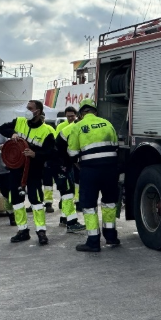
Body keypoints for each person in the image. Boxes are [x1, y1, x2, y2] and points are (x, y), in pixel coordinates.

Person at [66, 98, 119, 252]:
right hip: (110, 170)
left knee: (89, 205)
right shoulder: (107, 124)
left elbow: (72, 153)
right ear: (95, 111)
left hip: (90, 171)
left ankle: (93, 241)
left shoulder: (78, 126)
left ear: (81, 113)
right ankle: (111, 237)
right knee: (109, 203)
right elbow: (116, 147)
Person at [0, 100, 54, 246]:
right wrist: (13, 133)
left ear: (39, 111)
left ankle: (41, 231)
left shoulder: (47, 131)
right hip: (16, 169)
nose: (27, 110)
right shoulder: (19, 121)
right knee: (16, 200)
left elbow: (51, 152)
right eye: (27, 108)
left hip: (34, 171)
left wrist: (35, 154)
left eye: (30, 108)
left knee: (36, 201)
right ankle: (22, 230)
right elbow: (2, 128)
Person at [53, 108, 85, 233]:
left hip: (63, 163)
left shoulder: (74, 126)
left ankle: (64, 219)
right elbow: (72, 151)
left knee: (68, 192)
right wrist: (78, 164)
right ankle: (71, 223)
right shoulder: (76, 128)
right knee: (67, 193)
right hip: (60, 164)